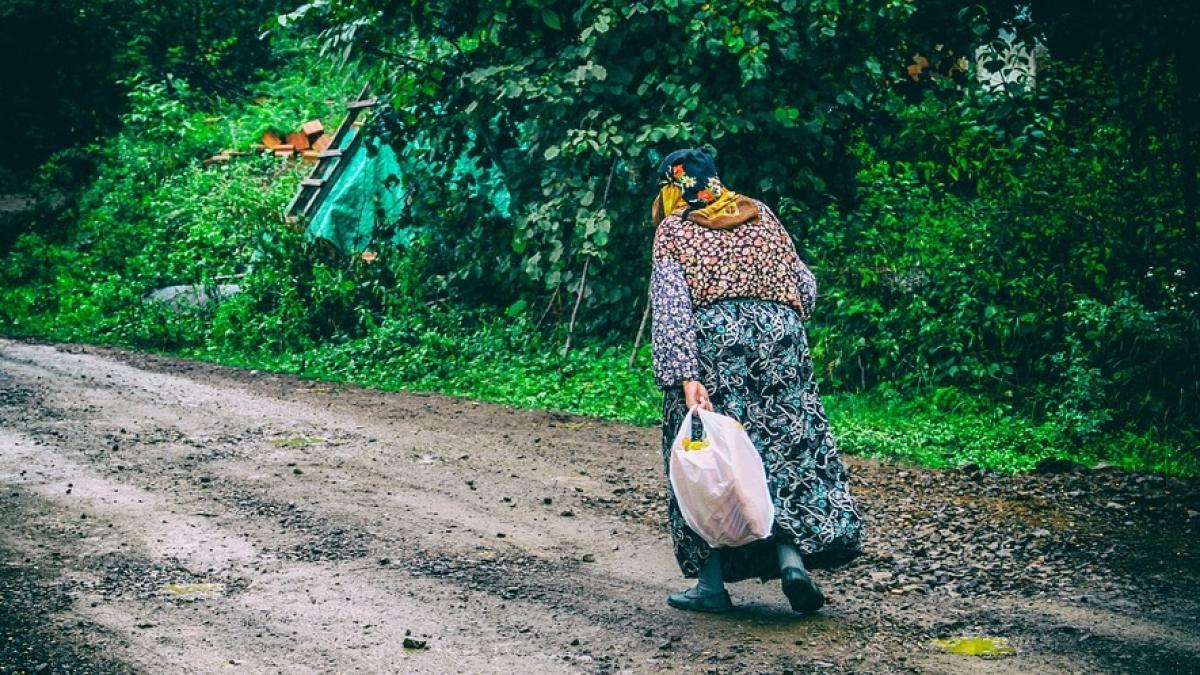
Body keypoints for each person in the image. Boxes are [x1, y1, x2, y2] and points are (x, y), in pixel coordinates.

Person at [649, 148, 864, 613]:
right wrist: (770, 318)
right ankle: (792, 562)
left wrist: (686, 376)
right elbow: (805, 288)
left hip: (715, 348)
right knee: (784, 449)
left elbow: (671, 310)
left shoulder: (674, 229)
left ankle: (711, 586)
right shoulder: (759, 213)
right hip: (780, 342)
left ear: (674, 188)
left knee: (707, 457)